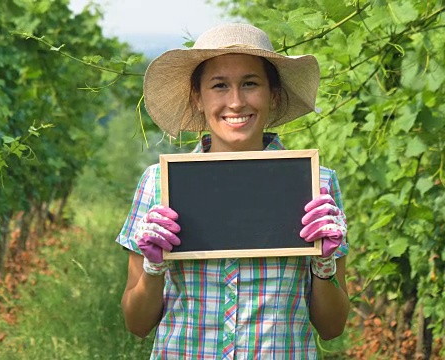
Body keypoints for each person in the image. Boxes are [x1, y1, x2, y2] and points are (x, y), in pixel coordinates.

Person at [116, 23, 349, 359]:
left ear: (274, 94)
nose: (236, 102)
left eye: (250, 84)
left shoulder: (316, 186)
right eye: (220, 86)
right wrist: (154, 269)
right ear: (198, 97)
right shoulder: (158, 184)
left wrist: (324, 264)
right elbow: (136, 323)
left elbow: (332, 327)